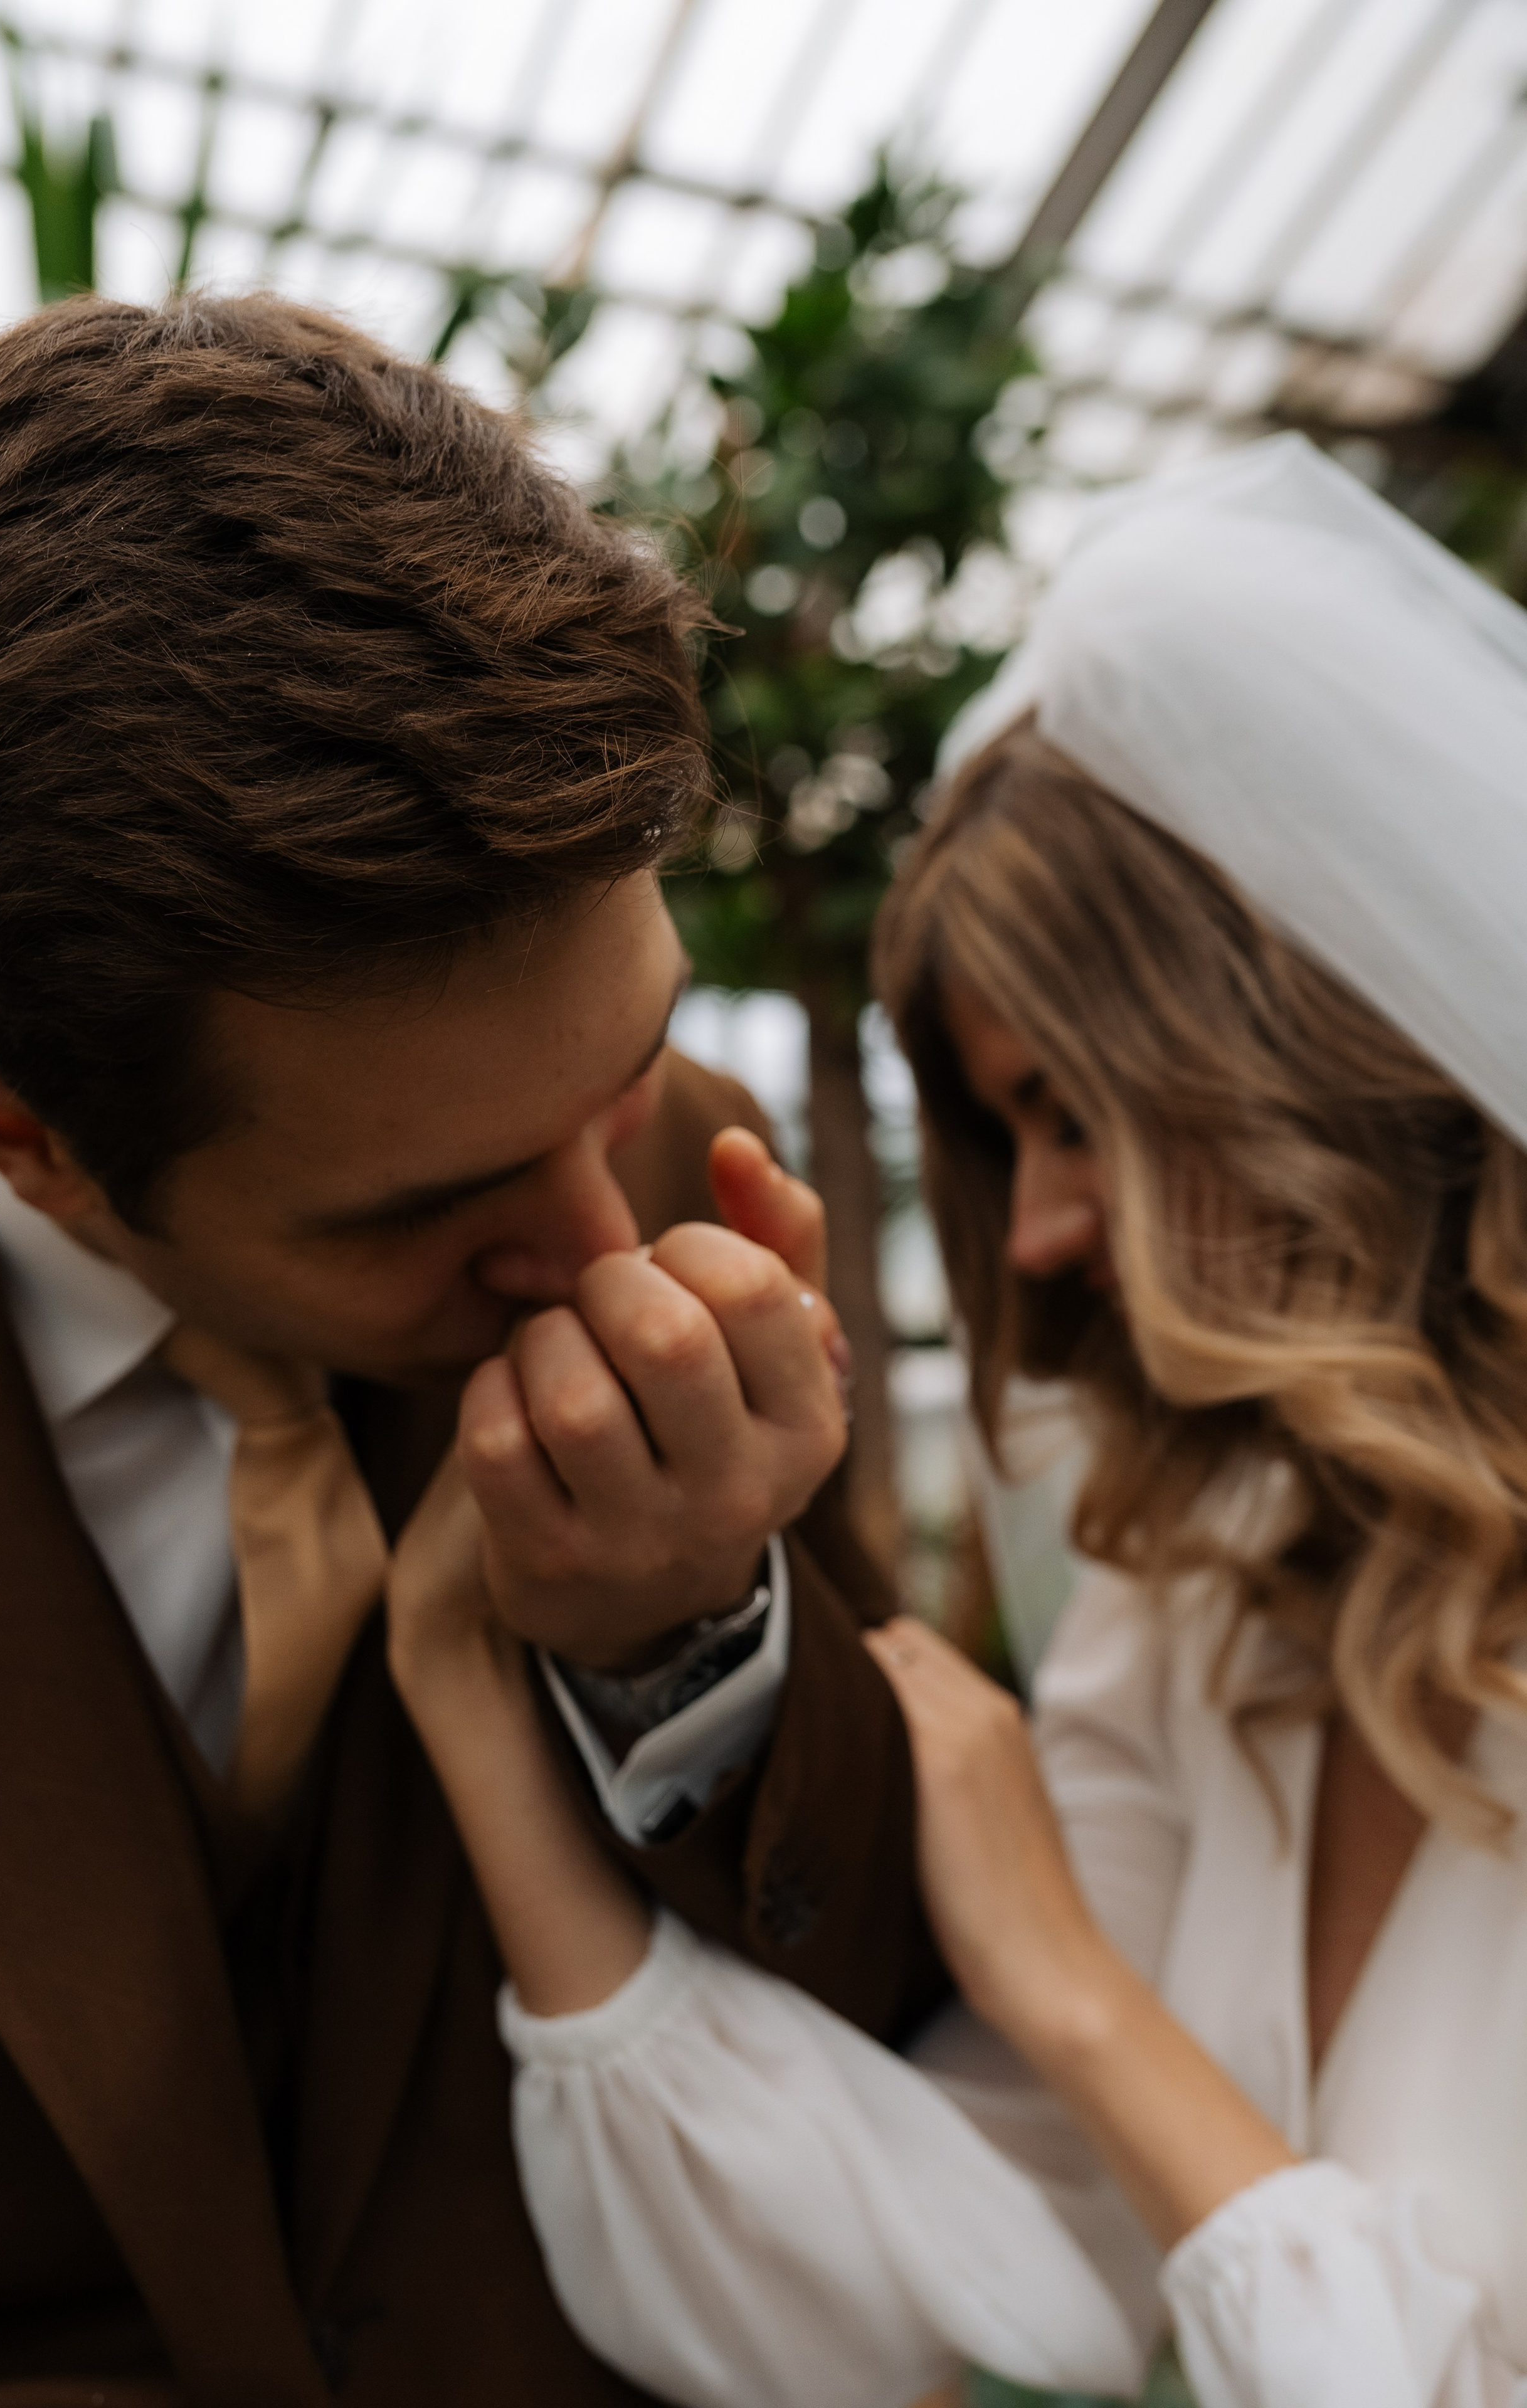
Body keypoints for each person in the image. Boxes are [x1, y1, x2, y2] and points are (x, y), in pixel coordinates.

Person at [396, 436, 1527, 2408]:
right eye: (1008, 1142)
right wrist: (488, 1696)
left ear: (1331, 1054)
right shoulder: (1205, 1627)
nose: (1055, 1233)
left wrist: (1082, 2001)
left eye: (1076, 1110)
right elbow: (885, 2299)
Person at [0, 293, 943, 2405]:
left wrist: (690, 1646)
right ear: (24, 1140)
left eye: (634, 1062)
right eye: (417, 1210)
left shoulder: (694, 1172)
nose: (600, 1248)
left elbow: (911, 2000)